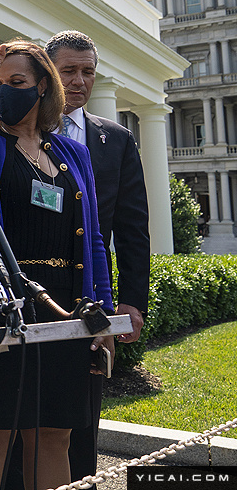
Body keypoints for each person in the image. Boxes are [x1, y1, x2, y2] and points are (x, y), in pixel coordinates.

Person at [0, 40, 114, 490]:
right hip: (3, 305)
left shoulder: (72, 153)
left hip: (65, 308)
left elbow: (95, 238)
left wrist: (103, 315)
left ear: (44, 86)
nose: (6, 92)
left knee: (54, 435)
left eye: (16, 83)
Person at [46, 30, 150, 485]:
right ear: (48, 72)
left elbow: (131, 229)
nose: (80, 81)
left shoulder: (117, 140)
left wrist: (132, 301)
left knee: (81, 418)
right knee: (18, 422)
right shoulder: (15, 131)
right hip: (28, 294)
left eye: (88, 71)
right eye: (69, 70)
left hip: (92, 299)